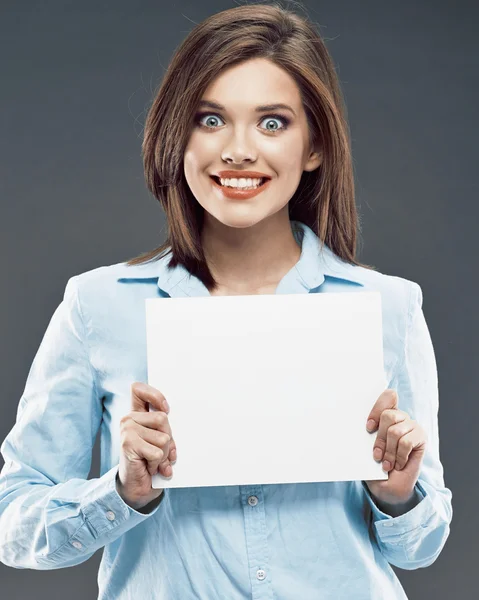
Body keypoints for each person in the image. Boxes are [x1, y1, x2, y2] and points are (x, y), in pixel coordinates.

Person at [0, 3, 452, 599]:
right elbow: (14, 524)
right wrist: (123, 491)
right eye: (211, 120)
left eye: (272, 123)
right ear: (176, 135)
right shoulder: (97, 307)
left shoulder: (387, 308)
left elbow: (421, 548)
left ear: (314, 146)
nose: (238, 150)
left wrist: (396, 491)